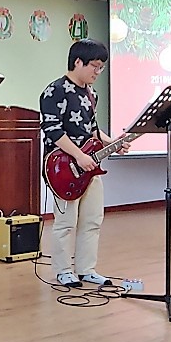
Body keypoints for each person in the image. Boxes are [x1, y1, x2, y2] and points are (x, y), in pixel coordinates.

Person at [39, 38, 130, 288]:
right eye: (95, 66)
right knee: (65, 222)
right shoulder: (55, 90)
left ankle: (86, 269)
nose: (98, 72)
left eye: (101, 67)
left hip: (90, 167)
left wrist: (114, 143)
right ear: (78, 62)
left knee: (92, 220)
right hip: (62, 167)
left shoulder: (92, 94)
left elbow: (93, 131)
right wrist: (78, 155)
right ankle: (63, 270)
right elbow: (52, 130)